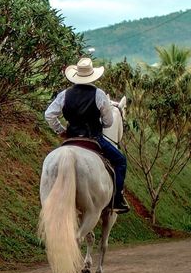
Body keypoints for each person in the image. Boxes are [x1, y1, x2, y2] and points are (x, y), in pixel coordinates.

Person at [44, 57, 130, 213]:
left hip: (71, 139)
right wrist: (99, 123)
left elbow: (49, 115)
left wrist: (61, 130)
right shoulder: (99, 94)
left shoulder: (65, 94)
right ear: (92, 75)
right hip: (93, 138)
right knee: (120, 160)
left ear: (76, 75)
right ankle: (117, 198)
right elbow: (109, 122)